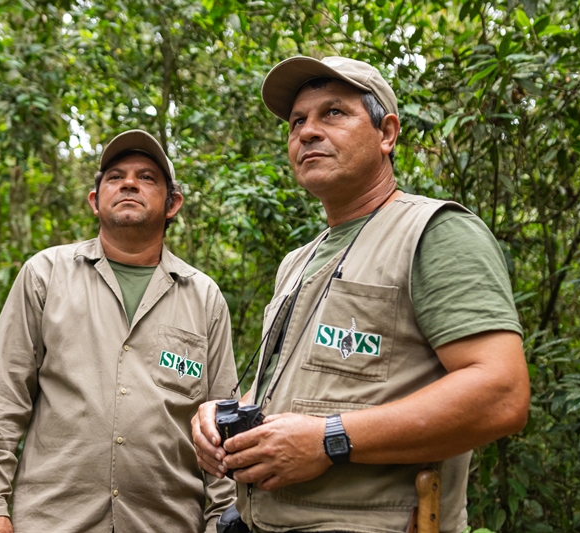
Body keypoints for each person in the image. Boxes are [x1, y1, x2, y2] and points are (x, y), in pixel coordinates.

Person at [192, 56, 531, 533]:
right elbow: (303, 388)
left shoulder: (434, 233)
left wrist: (329, 440)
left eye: (333, 113)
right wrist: (221, 414)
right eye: (297, 122)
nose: (307, 131)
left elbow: (501, 393)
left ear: (386, 133)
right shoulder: (298, 261)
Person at [0, 129, 237, 533]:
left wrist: (222, 519)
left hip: (167, 523)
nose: (129, 183)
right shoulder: (45, 274)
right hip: (51, 520)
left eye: (147, 177)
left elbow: (220, 426)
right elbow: (3, 398)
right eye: (115, 176)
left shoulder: (203, 296)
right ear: (95, 201)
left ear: (172, 203)